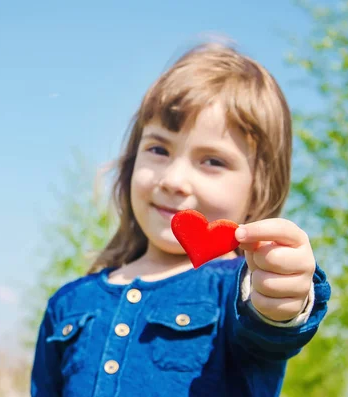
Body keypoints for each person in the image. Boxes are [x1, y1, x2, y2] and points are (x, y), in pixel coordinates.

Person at [30, 41, 331, 397]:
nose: (173, 180)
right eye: (159, 149)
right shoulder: (69, 305)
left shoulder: (238, 290)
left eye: (212, 161)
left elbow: (270, 329)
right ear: (131, 162)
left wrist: (281, 294)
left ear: (259, 188)